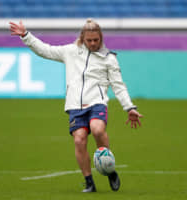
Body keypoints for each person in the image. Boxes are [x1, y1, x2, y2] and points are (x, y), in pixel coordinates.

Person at [9, 19, 143, 193]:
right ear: (83, 38)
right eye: (90, 40)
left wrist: (129, 107)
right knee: (79, 140)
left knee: (97, 129)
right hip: (75, 106)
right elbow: (45, 50)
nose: (93, 43)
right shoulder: (70, 51)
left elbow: (118, 85)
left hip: (97, 103)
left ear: (100, 38)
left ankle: (108, 167)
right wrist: (26, 35)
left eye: (96, 40)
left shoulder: (109, 58)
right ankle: (89, 182)